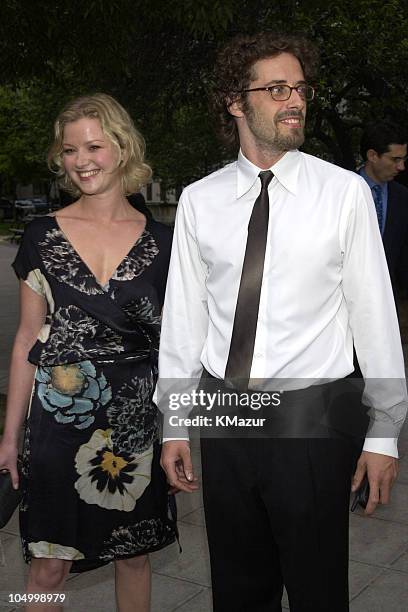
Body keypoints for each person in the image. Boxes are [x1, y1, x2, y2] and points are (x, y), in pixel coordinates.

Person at [158, 33, 407, 611]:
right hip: (223, 413)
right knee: (238, 588)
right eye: (276, 89)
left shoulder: (343, 193)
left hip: (313, 418)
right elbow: (184, 320)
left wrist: (385, 430)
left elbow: (375, 315)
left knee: (318, 588)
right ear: (235, 101)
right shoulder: (200, 199)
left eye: (299, 88)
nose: (294, 100)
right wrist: (173, 423)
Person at [0, 93, 176, 612]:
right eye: (70, 150)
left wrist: (182, 433)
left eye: (94, 146)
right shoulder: (40, 235)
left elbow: (180, 348)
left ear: (122, 149)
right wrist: (10, 436)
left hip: (136, 421)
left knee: (134, 556)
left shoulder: (166, 243)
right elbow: (27, 340)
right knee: (47, 565)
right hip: (56, 423)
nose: (82, 160)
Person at [359, 122, 408, 293]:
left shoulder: (403, 197)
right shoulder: (339, 190)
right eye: (395, 159)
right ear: (373, 155)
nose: (401, 167)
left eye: (403, 159)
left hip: (386, 297)